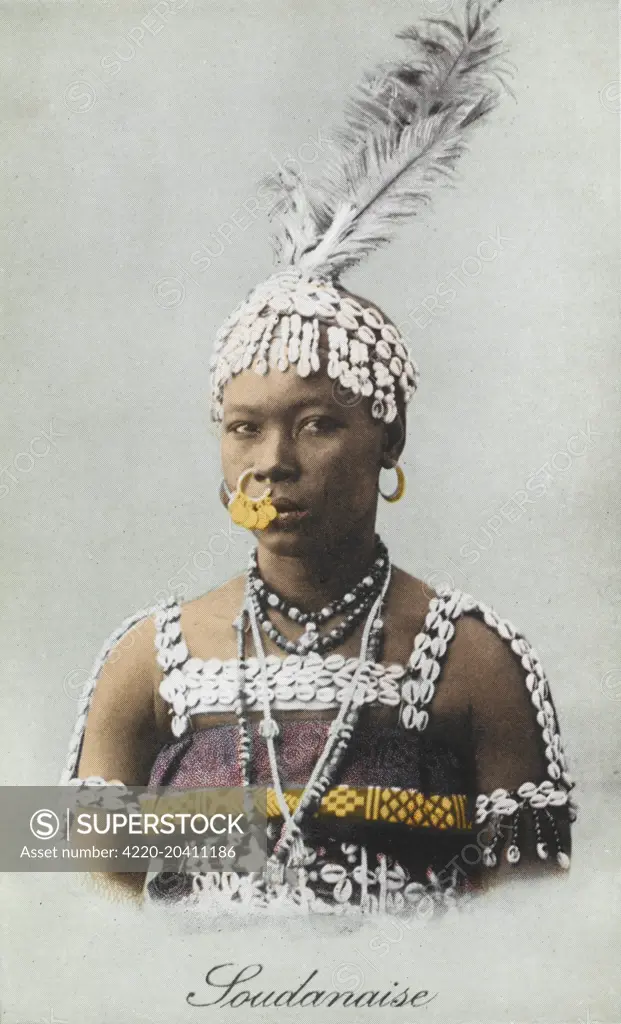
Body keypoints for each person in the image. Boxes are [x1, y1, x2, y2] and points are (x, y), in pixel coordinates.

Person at [60, 0, 576, 915]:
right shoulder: (145, 661)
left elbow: (531, 939)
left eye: (317, 423)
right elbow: (80, 923)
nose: (272, 463)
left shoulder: (473, 663)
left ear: (390, 438)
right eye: (243, 427)